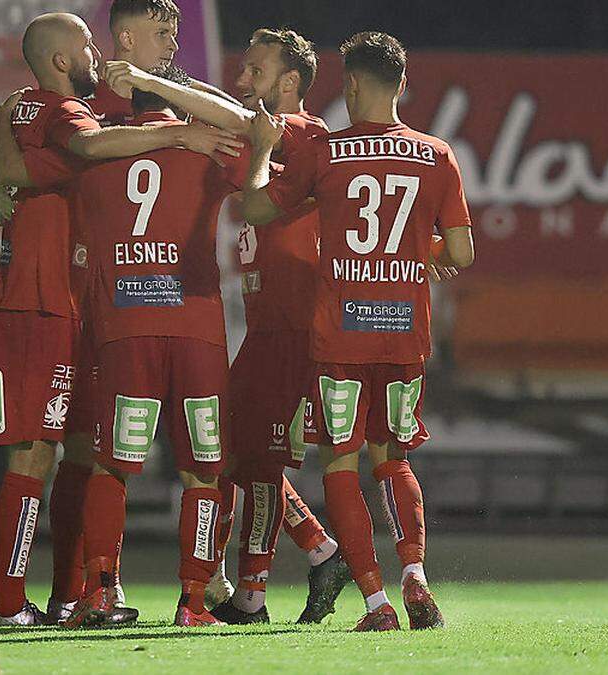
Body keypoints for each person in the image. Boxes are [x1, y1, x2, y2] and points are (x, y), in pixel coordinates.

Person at [0, 12, 240, 627]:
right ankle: (10, 604)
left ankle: (75, 595)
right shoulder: (68, 117)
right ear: (64, 60)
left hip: (83, 309)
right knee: (35, 454)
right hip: (38, 304)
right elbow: (42, 159)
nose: (96, 53)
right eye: (87, 46)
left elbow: (1, 162)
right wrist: (179, 135)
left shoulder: (48, 117)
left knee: (82, 453)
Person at [240, 31, 475, 631]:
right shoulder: (438, 153)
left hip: (341, 336)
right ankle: (416, 576)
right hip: (403, 334)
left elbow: (258, 209)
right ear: (400, 84)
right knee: (393, 460)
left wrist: (264, 152)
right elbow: (465, 252)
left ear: (348, 84)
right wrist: (423, 257)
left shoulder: (326, 153)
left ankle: (375, 602)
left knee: (339, 462)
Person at [59, 66, 250, 628]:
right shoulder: (208, 149)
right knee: (203, 471)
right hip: (196, 332)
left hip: (124, 328)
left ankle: (100, 592)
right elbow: (247, 130)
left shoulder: (98, 151)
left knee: (112, 467)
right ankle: (193, 602)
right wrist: (187, 111)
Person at [208, 27, 352, 626]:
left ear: (290, 83)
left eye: (255, 72)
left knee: (257, 460)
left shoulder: (306, 135)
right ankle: (321, 552)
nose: (242, 83)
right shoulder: (260, 139)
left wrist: (144, 79)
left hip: (295, 327)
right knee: (236, 455)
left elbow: (219, 115)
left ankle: (253, 594)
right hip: (266, 325)